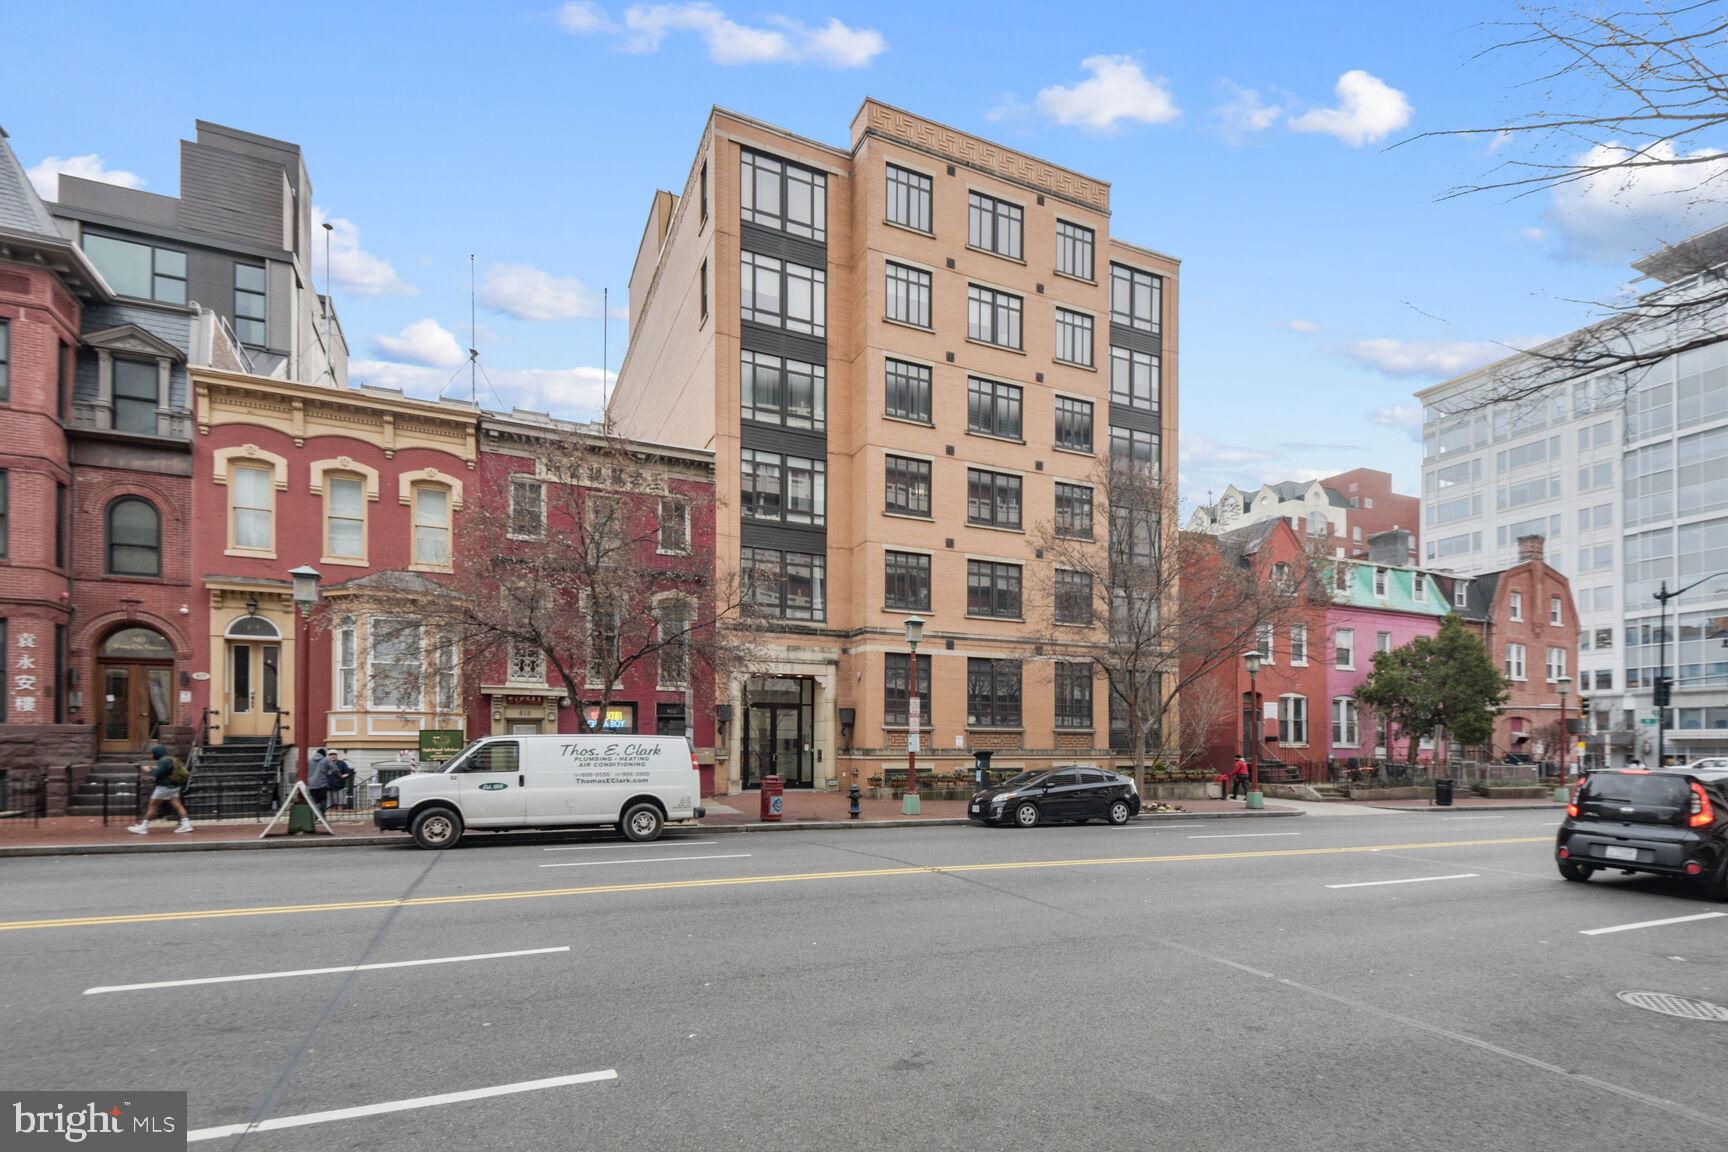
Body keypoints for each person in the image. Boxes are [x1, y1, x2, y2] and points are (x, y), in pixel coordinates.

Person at [128, 744, 192, 835]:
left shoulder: (163, 761)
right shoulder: (170, 759)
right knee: (178, 805)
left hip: (164, 787)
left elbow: (157, 774)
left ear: (156, 753)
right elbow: (166, 771)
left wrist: (147, 770)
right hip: (174, 786)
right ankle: (186, 824)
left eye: (153, 753)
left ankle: (143, 827)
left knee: (153, 806)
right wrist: (154, 768)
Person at [307, 748, 331, 813]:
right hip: (322, 785)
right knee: (323, 800)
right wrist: (339, 774)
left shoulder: (310, 761)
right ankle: (322, 815)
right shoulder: (325, 760)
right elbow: (334, 769)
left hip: (311, 785)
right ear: (324, 755)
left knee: (314, 802)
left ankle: (314, 816)